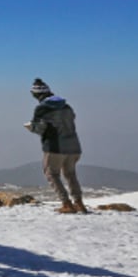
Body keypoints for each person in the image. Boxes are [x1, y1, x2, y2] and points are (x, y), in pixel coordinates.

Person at [25, 78, 86, 213]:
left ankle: (66, 204)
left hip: (55, 146)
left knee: (51, 173)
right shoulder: (66, 106)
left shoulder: (41, 108)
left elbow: (39, 127)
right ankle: (79, 203)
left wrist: (32, 128)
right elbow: (71, 119)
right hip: (74, 145)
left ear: (36, 94)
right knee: (70, 174)